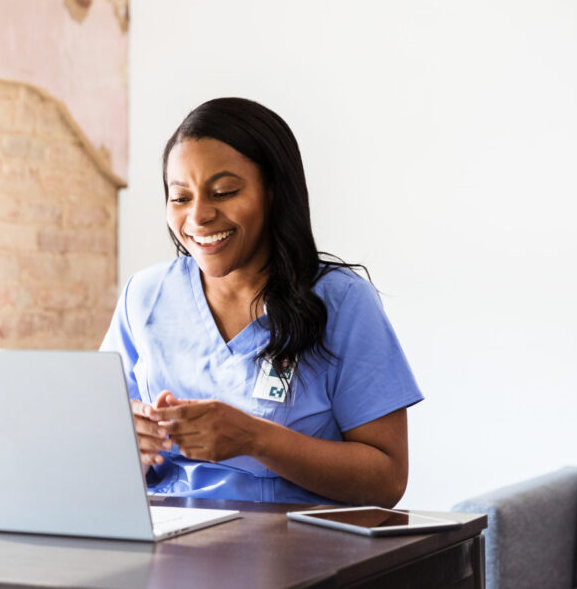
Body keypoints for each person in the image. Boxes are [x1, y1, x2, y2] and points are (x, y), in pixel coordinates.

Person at [100, 98, 422, 505]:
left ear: (273, 192)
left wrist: (255, 438)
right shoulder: (144, 297)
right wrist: (132, 443)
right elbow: (100, 455)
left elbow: (387, 481)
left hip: (295, 553)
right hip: (170, 544)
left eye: (224, 192)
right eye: (180, 198)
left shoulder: (341, 301)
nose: (197, 216)